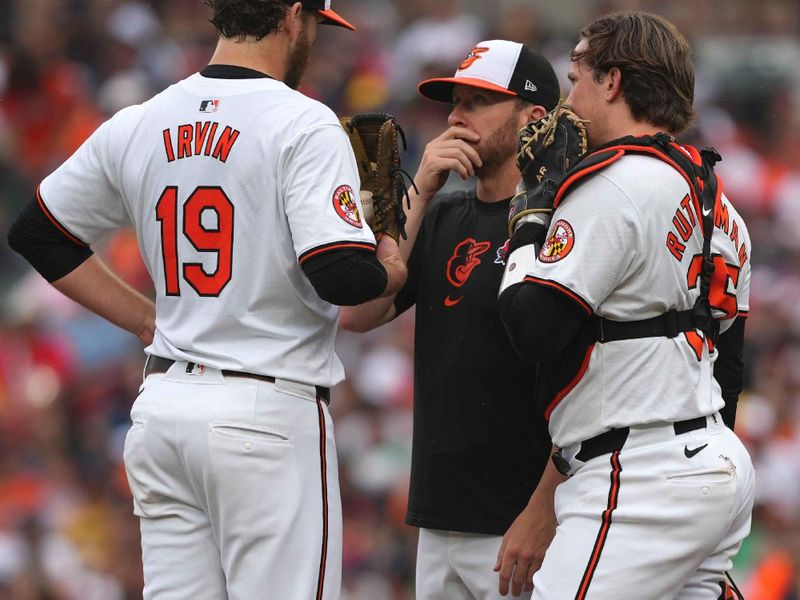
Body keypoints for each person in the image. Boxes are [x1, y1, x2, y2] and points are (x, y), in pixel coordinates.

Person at [7, 1, 407, 598]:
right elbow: (341, 277)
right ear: (293, 15)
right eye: (316, 26)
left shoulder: (142, 118)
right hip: (266, 414)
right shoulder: (303, 121)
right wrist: (393, 257)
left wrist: (147, 319)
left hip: (164, 408)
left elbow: (37, 232)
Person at [495, 11, 754, 599]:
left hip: (638, 473)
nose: (568, 99)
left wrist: (531, 211)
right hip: (711, 455)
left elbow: (531, 329)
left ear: (612, 82)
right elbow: (731, 368)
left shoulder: (612, 184)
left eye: (577, 77)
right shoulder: (721, 203)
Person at [339, 40, 560, 600]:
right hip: (439, 516)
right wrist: (420, 189)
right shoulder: (442, 213)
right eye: (454, 102)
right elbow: (357, 312)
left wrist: (543, 510)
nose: (456, 116)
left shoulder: (563, 221)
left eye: (478, 102)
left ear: (534, 117)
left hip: (523, 524)